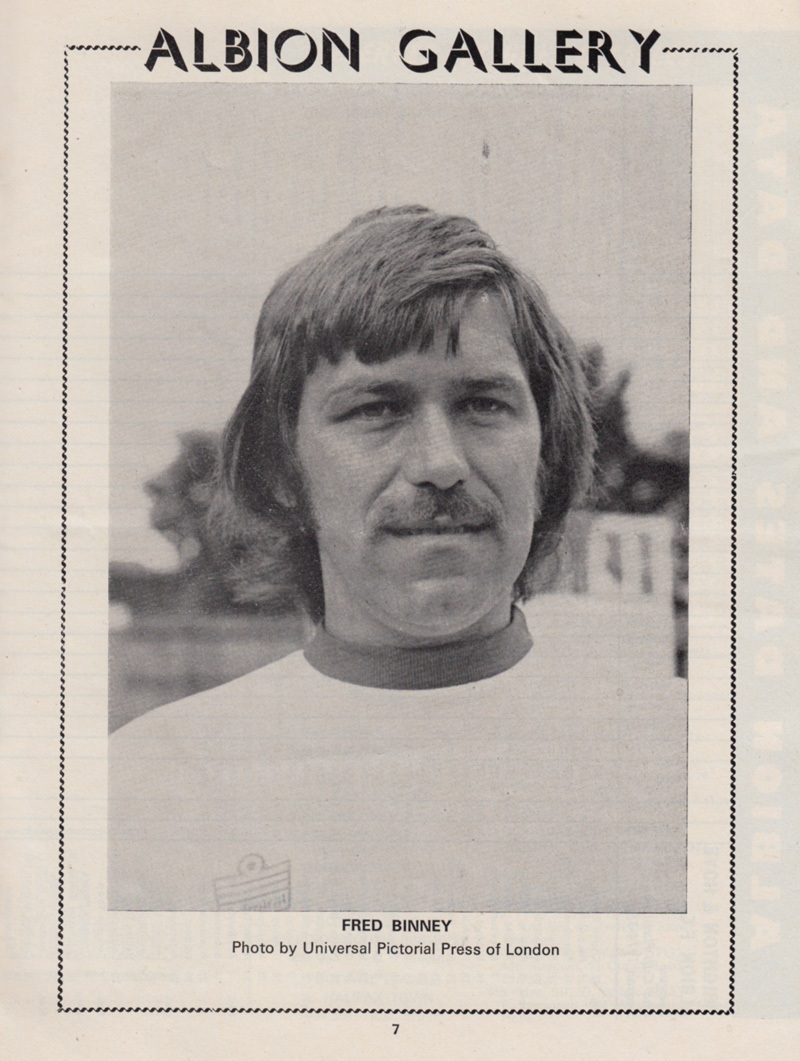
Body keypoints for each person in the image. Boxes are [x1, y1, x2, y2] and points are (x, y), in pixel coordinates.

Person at [109, 206, 686, 913]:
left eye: (483, 403)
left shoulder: (693, 762)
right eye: (376, 409)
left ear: (545, 456)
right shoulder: (150, 791)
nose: (440, 464)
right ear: (285, 471)